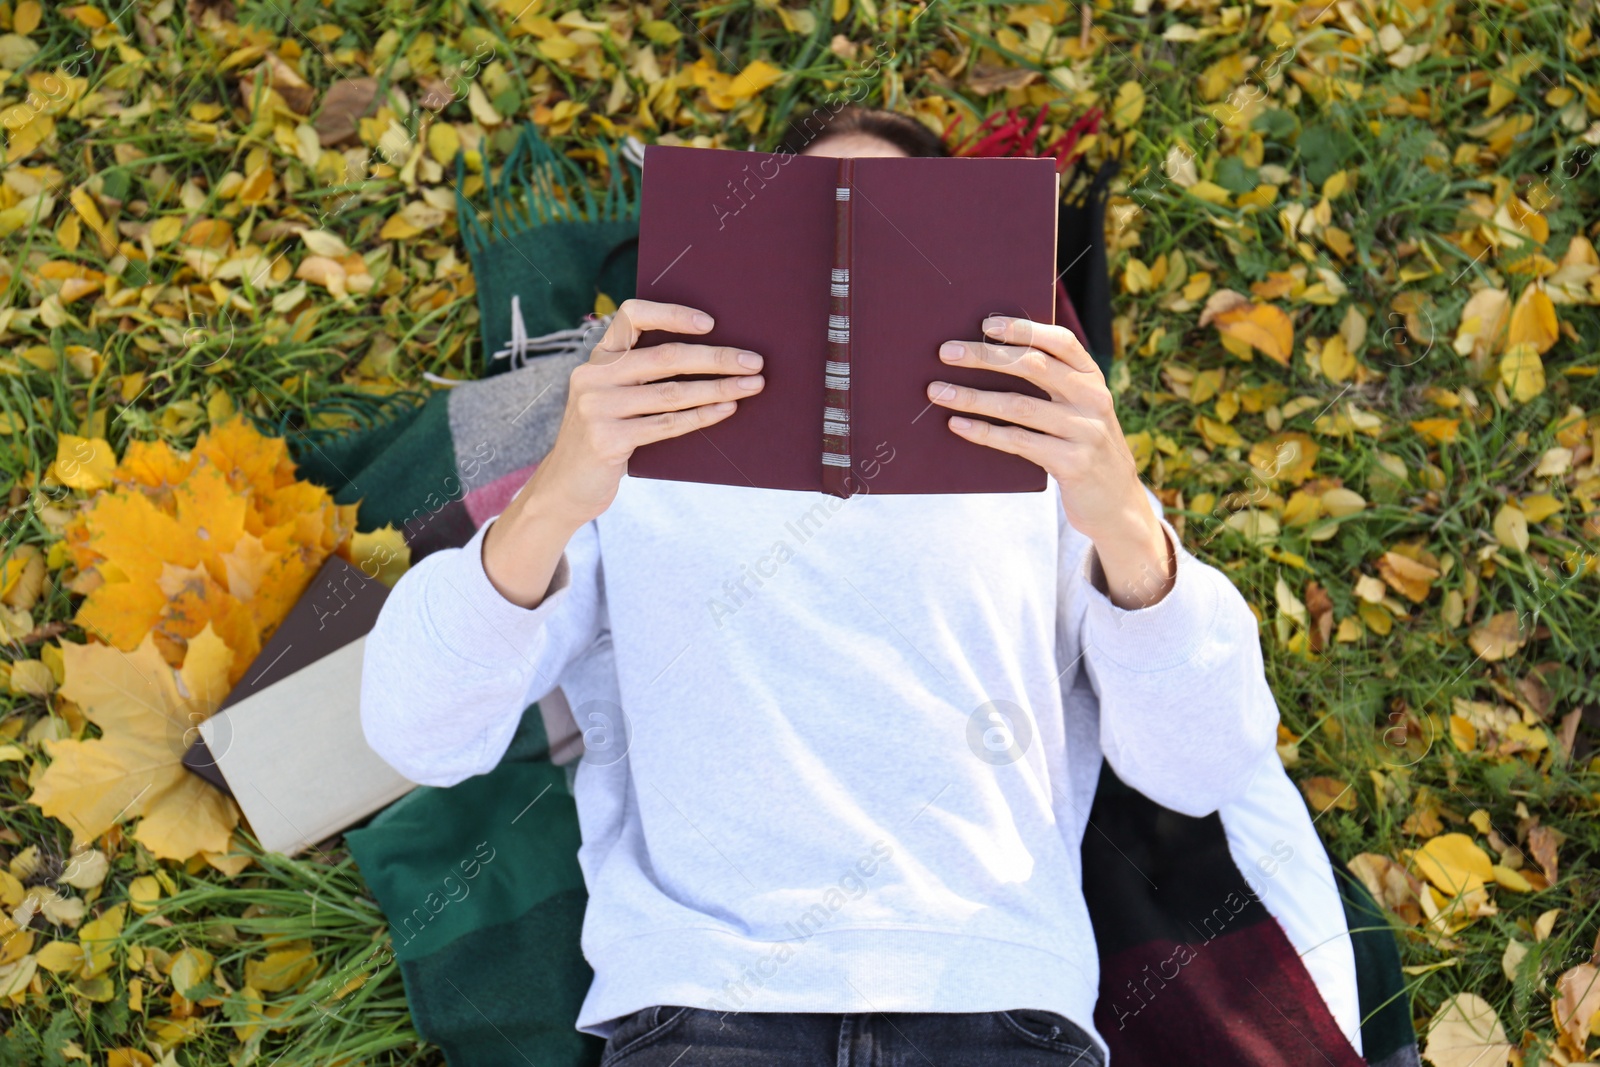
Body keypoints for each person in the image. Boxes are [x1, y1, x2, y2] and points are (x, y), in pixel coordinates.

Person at [360, 107, 1362, 1066]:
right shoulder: (636, 467)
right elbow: (418, 730)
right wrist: (553, 495)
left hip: (995, 998)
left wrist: (1123, 514)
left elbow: (1204, 765)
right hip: (708, 1003)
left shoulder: (1036, 477)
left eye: (894, 235)